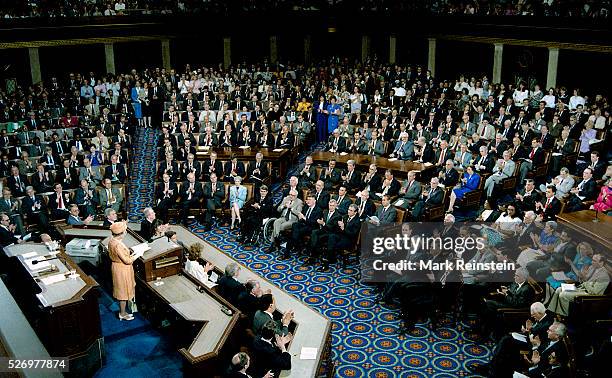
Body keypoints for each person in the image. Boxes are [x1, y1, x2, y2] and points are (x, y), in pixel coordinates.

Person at [108, 221, 136, 321]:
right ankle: (122, 313)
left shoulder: (112, 240)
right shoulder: (118, 245)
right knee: (123, 292)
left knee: (123, 290)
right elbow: (127, 261)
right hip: (122, 269)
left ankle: (123, 311)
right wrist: (137, 255)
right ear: (122, 232)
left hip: (118, 266)